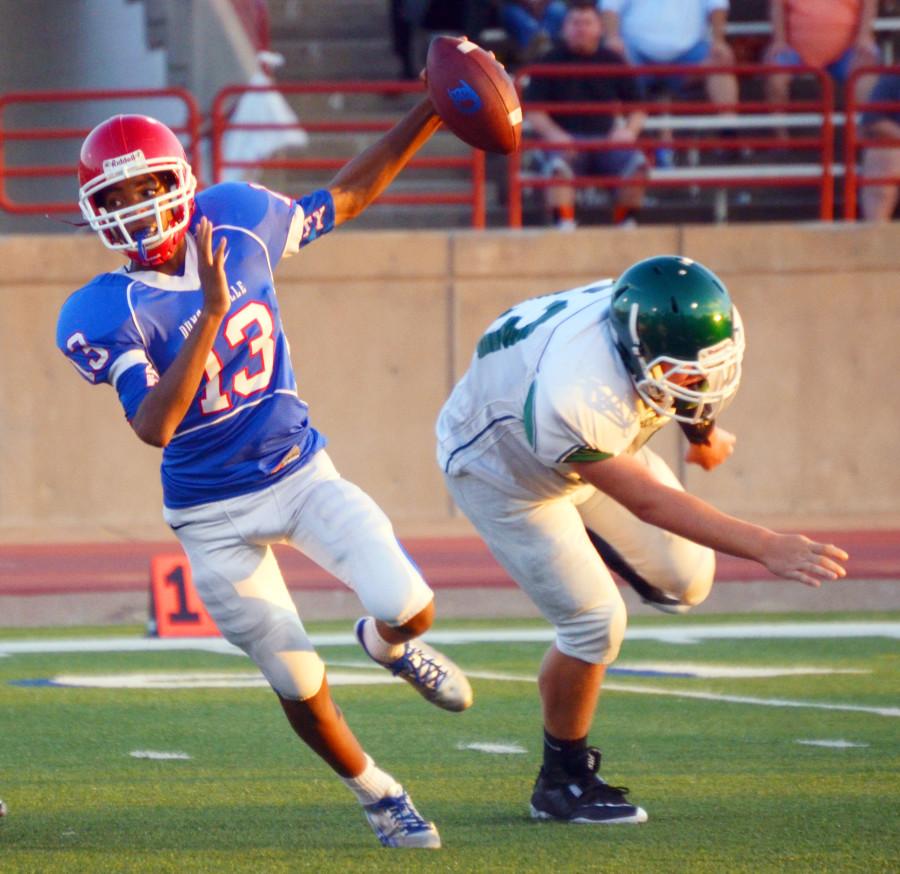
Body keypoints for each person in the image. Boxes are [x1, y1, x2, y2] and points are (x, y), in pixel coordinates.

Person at [57, 101, 474, 850]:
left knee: (410, 606)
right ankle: (380, 794)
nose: (136, 211)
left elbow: (344, 196)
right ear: (92, 212)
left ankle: (386, 646)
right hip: (210, 513)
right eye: (113, 200)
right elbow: (154, 425)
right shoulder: (101, 308)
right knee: (295, 675)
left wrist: (431, 112)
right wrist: (212, 312)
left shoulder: (240, 218)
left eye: (146, 187)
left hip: (299, 470)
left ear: (181, 180)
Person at [436, 255, 849, 824]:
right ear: (634, 353)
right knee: (595, 623)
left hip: (593, 448)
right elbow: (649, 502)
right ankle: (562, 780)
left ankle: (589, 535)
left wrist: (699, 430)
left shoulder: (659, 323)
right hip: (504, 473)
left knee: (687, 582)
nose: (699, 381)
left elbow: (682, 378)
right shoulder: (574, 390)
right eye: (679, 371)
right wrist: (765, 545)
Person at [524, 0, 648, 229]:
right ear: (564, 28)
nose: (581, 28)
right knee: (558, 167)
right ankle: (564, 223)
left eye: (587, 22)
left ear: (599, 27)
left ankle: (626, 222)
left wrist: (627, 132)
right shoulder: (548, 61)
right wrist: (556, 136)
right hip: (565, 139)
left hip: (606, 142)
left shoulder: (613, 61)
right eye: (575, 22)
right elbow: (534, 110)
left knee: (637, 164)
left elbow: (638, 106)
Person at [763, 0, 880, 134]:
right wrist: (779, 40)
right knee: (775, 76)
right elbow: (777, 5)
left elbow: (869, 3)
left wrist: (864, 36)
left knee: (865, 75)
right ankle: (781, 144)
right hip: (794, 51)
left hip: (847, 51)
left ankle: (861, 142)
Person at [599, 0, 739, 111]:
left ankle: (728, 132)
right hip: (635, 56)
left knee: (721, 59)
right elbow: (609, 6)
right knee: (611, 58)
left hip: (689, 55)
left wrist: (719, 41)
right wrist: (612, 37)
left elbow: (717, 4)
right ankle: (614, 133)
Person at [859, 71, 900, 221]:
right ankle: (876, 235)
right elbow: (874, 121)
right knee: (882, 155)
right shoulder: (894, 79)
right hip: (897, 147)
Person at [499, 1, 569, 61]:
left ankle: (550, 50)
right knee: (520, 19)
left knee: (558, 9)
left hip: (545, 5)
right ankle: (535, 52)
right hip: (516, 6)